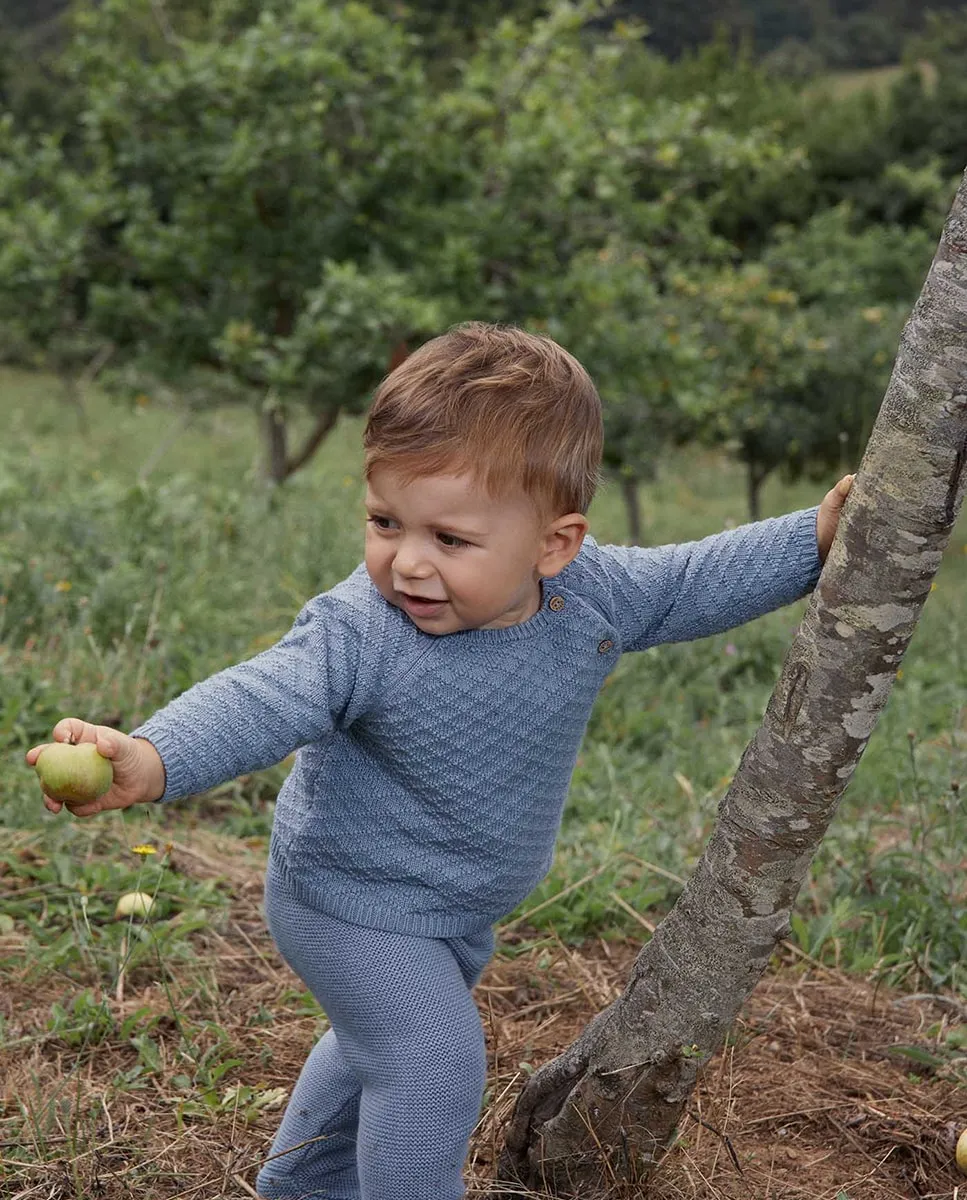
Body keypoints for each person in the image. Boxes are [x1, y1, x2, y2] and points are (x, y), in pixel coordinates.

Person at [27, 322, 854, 1200]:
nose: (407, 562)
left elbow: (693, 580)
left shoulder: (589, 596)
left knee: (368, 1046)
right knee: (429, 1060)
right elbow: (260, 695)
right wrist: (152, 754)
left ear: (553, 544)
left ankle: (300, 1186)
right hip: (348, 902)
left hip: (453, 906)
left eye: (449, 540)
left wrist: (811, 538)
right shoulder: (359, 631)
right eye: (385, 522)